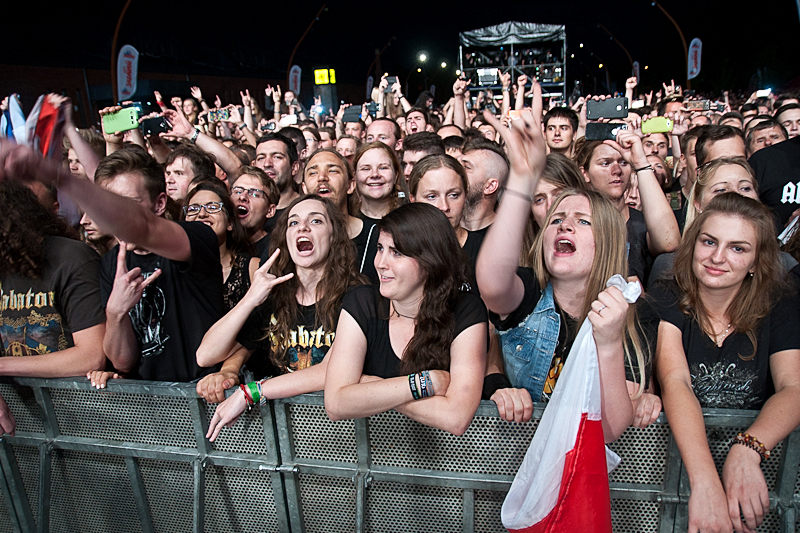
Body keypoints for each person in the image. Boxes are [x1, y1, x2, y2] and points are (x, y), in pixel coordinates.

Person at [476, 102, 658, 433]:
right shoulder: (528, 293)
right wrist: (522, 179)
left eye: (583, 221)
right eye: (556, 220)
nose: (564, 226)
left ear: (607, 241)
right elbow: (491, 283)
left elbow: (610, 429)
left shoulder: (633, 312)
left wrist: (609, 341)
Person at [652, 193, 800, 533]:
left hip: (756, 477)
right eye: (709, 241)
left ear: (755, 261)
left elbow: (793, 388)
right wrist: (705, 482)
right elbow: (676, 380)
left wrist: (746, 451)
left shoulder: (780, 304)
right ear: (693, 244)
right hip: (676, 473)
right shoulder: (667, 295)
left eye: (738, 248)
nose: (717, 257)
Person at [323, 203, 488, 435]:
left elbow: (456, 417)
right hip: (372, 454)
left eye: (396, 252)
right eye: (380, 248)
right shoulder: (362, 303)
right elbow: (336, 404)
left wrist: (369, 386)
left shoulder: (466, 310)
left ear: (430, 260)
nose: (380, 263)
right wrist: (423, 384)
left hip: (445, 461)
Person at [201, 194, 365, 419]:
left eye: (316, 221)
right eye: (294, 222)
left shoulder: (357, 294)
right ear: (286, 237)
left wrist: (252, 392)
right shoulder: (276, 294)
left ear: (334, 234)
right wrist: (250, 298)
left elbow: (330, 370)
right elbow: (206, 355)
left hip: (343, 424)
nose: (303, 228)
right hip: (289, 425)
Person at [182, 182, 259, 312]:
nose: (201, 214)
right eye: (193, 209)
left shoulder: (252, 268)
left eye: (212, 207)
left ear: (230, 223)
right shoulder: (176, 271)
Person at [351, 142, 404, 283]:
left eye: (383, 168)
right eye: (366, 169)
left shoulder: (408, 222)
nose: (374, 174)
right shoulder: (346, 222)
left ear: (396, 174)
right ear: (354, 176)